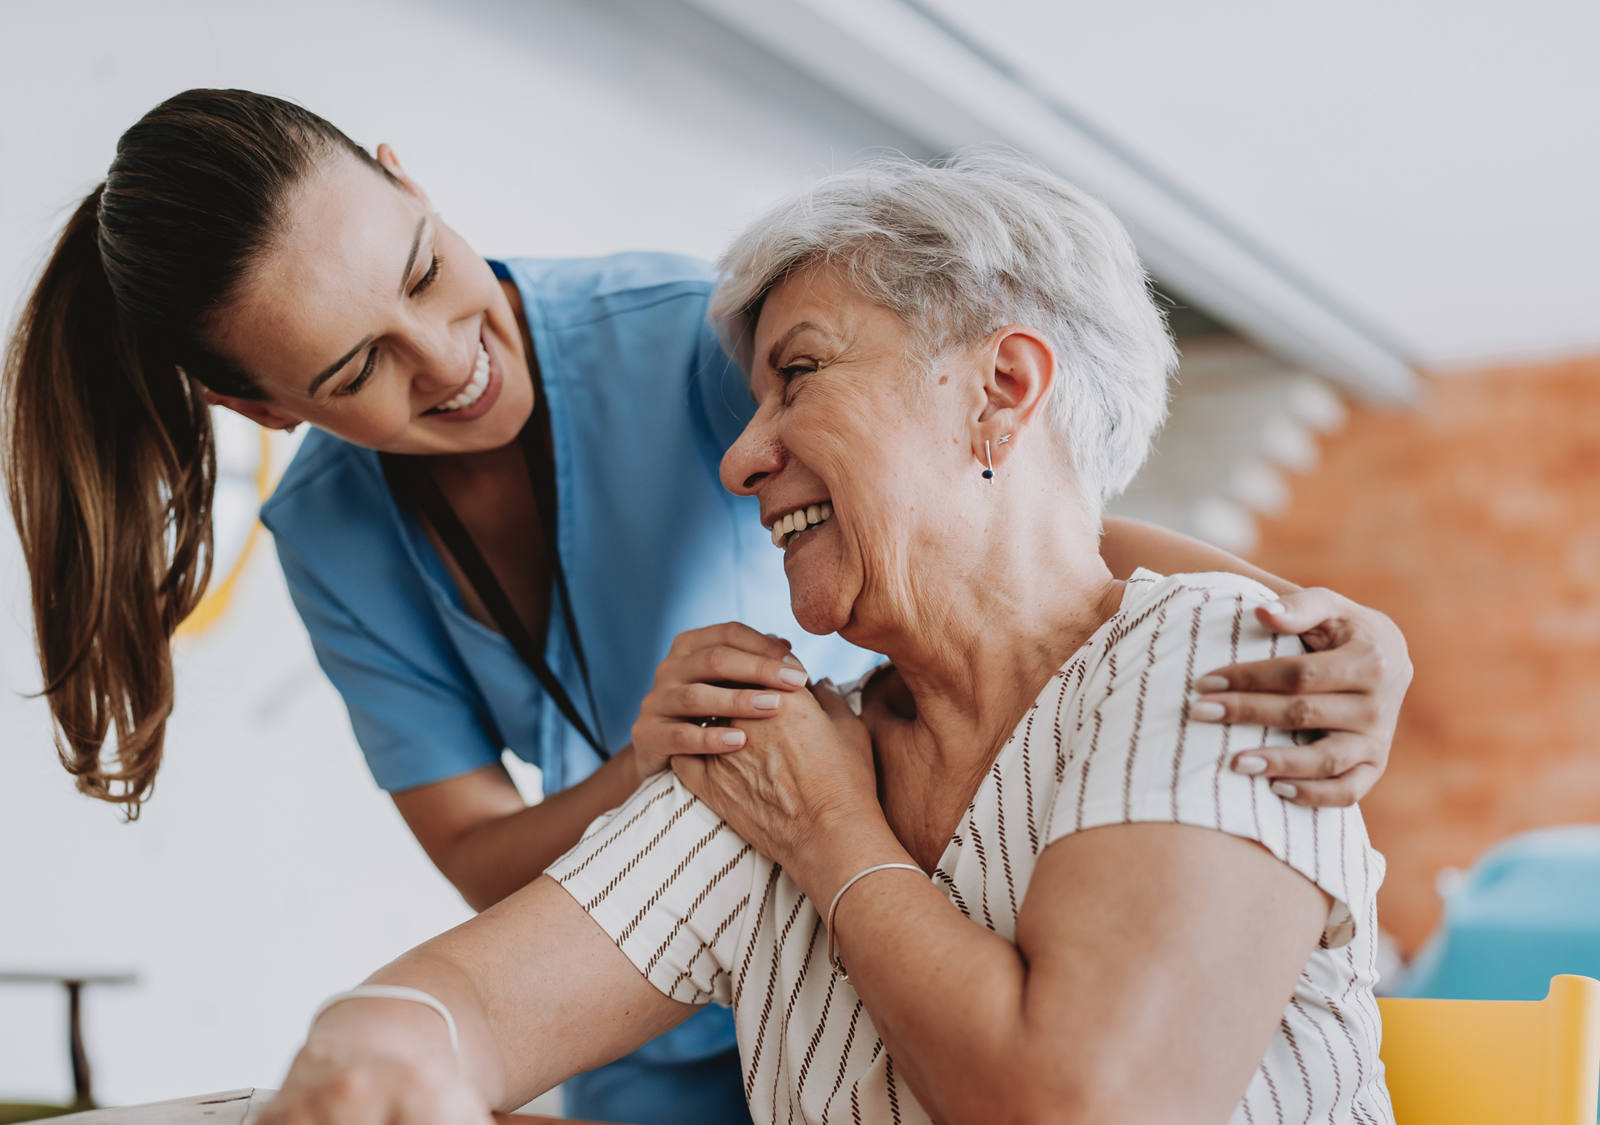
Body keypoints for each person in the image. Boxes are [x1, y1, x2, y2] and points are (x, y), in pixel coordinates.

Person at [1, 91, 1406, 1122]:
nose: (446, 359)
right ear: (267, 406)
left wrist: (1319, 621)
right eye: (359, 365)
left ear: (406, 179)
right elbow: (474, 946)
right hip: (677, 1016)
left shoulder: (693, 337)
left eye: (426, 270)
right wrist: (382, 1038)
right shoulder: (358, 548)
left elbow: (1024, 526)